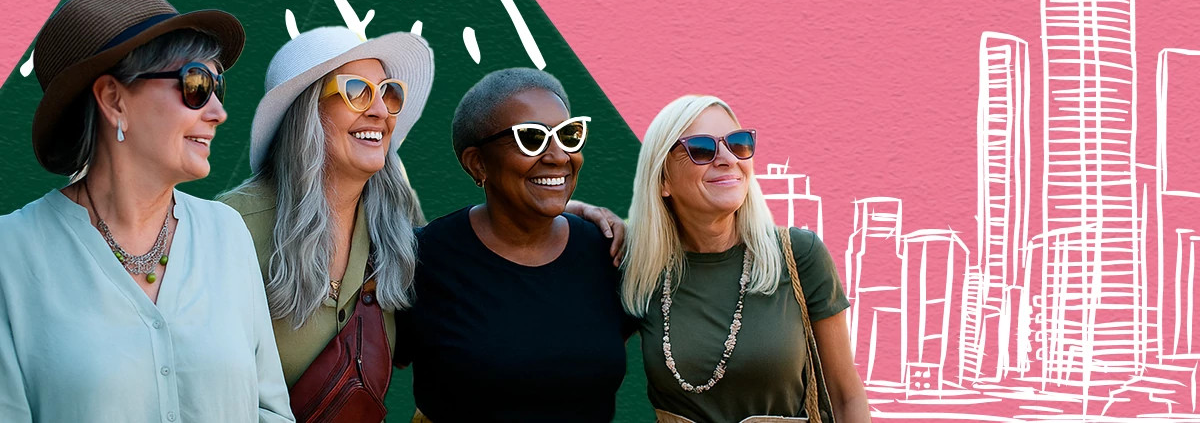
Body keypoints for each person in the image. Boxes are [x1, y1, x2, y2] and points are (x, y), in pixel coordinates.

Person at [221, 32, 624, 422]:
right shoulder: (230, 227)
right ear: (304, 109)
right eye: (357, 90)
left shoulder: (396, 237)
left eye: (389, 93)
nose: (380, 111)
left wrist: (558, 208)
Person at [0, 0, 293, 422]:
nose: (218, 112)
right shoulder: (11, 255)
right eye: (196, 85)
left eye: (218, 88)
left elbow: (270, 412)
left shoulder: (227, 234)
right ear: (114, 100)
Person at [396, 67, 631, 422]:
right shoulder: (422, 259)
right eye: (532, 139)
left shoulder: (608, 251)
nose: (559, 156)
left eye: (569, 135)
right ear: (477, 163)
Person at [621, 96, 870, 423]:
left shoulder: (799, 255)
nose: (728, 159)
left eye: (738, 144)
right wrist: (582, 210)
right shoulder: (639, 267)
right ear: (663, 179)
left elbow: (846, 396)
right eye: (702, 149)